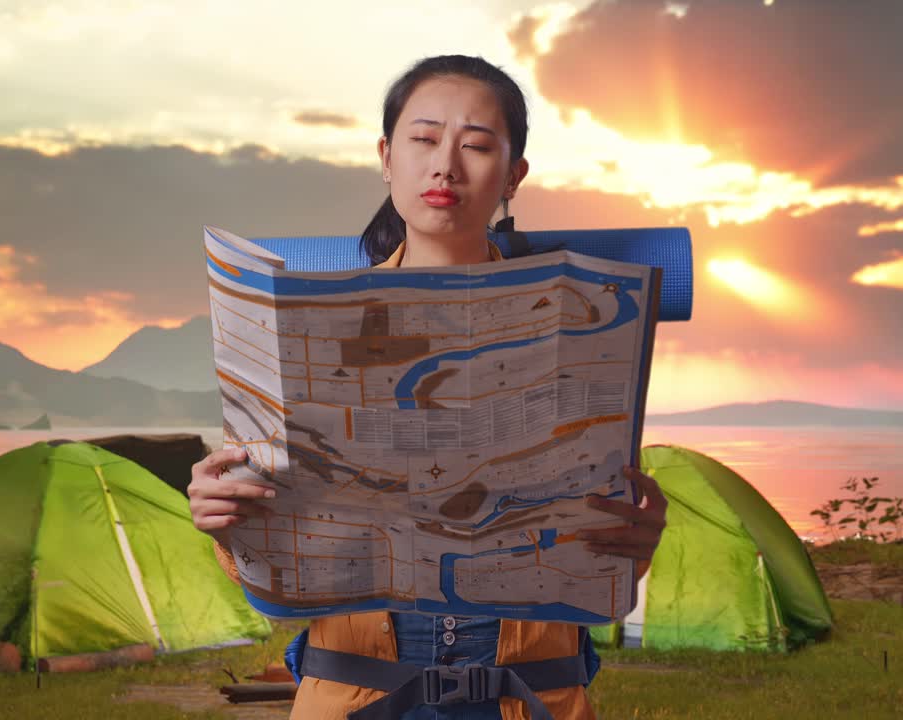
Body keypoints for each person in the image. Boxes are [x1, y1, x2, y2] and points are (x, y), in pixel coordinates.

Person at [190, 54, 668, 720]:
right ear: (387, 157)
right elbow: (273, 555)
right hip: (354, 698)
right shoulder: (305, 328)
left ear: (513, 174)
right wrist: (224, 518)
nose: (445, 163)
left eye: (476, 144)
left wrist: (633, 545)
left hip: (532, 699)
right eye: (422, 138)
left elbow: (590, 550)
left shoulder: (576, 325)